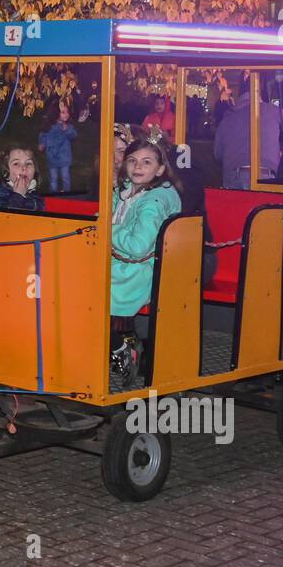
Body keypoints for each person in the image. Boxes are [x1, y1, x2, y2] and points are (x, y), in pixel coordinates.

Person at [110, 137, 182, 387]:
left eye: (146, 162)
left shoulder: (154, 201)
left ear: (160, 169)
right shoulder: (125, 190)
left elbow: (138, 246)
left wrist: (106, 230)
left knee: (86, 295)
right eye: (132, 160)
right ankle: (117, 343)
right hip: (120, 264)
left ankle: (120, 348)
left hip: (140, 270)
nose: (137, 167)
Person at [213, 77, 283, 189]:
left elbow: (218, 153)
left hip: (233, 175)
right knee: (262, 206)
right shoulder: (272, 111)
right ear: (259, 95)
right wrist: (282, 150)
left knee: (236, 206)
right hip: (264, 173)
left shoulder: (228, 117)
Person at [0, 147, 45, 211]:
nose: (24, 168)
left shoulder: (34, 193)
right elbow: (2, 217)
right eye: (16, 164)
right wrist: (18, 195)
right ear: (5, 171)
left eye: (28, 163)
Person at [38, 98, 78, 193]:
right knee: (53, 178)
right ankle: (53, 194)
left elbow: (74, 135)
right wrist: (42, 143)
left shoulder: (68, 126)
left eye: (67, 112)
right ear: (56, 113)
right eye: (63, 112)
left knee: (65, 177)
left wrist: (67, 130)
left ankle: (66, 193)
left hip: (64, 157)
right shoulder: (49, 126)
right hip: (52, 157)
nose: (66, 114)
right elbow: (43, 134)